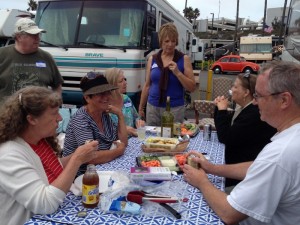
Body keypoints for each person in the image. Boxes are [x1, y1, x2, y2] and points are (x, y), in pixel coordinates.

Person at [183, 61, 300, 225]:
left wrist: (202, 180)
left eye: (259, 96)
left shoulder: (280, 154)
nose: (254, 102)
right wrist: (212, 168)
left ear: (284, 100)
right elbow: (258, 166)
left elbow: (228, 213)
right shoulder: (291, 135)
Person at [0, 86, 98, 225]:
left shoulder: (39, 141)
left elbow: (50, 169)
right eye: (54, 113)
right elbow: (45, 204)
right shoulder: (9, 155)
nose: (59, 118)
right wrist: (77, 159)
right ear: (32, 119)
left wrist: (80, 154)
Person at [214, 72, 276, 189]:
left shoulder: (253, 113)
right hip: (241, 163)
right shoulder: (244, 108)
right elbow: (227, 127)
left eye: (235, 86)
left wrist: (222, 111)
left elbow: (225, 137)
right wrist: (219, 108)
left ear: (246, 93)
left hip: (242, 175)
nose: (231, 89)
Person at [63, 72, 128, 176]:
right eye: (100, 94)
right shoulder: (81, 119)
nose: (106, 97)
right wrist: (118, 151)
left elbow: (122, 142)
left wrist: (120, 115)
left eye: (107, 92)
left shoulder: (103, 114)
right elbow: (89, 157)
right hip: (81, 177)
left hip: (103, 169)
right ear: (87, 98)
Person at [138, 22, 196, 125]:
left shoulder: (183, 59)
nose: (170, 44)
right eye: (167, 41)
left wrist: (178, 73)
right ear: (161, 41)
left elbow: (192, 87)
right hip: (153, 108)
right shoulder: (153, 59)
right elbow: (147, 85)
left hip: (175, 109)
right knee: (152, 139)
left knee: (172, 139)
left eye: (173, 41)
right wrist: (141, 107)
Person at [0, 18, 63, 103]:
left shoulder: (46, 57)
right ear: (19, 37)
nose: (38, 38)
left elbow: (57, 86)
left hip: (39, 115)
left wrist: (55, 103)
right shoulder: (2, 55)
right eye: (33, 35)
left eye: (38, 34)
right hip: (7, 115)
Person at [104, 67, 140, 137]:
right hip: (116, 143)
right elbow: (104, 131)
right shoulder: (104, 105)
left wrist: (139, 122)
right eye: (121, 81)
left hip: (133, 139)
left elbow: (136, 117)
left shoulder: (126, 99)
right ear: (111, 85)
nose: (125, 83)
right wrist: (123, 129)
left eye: (125, 79)